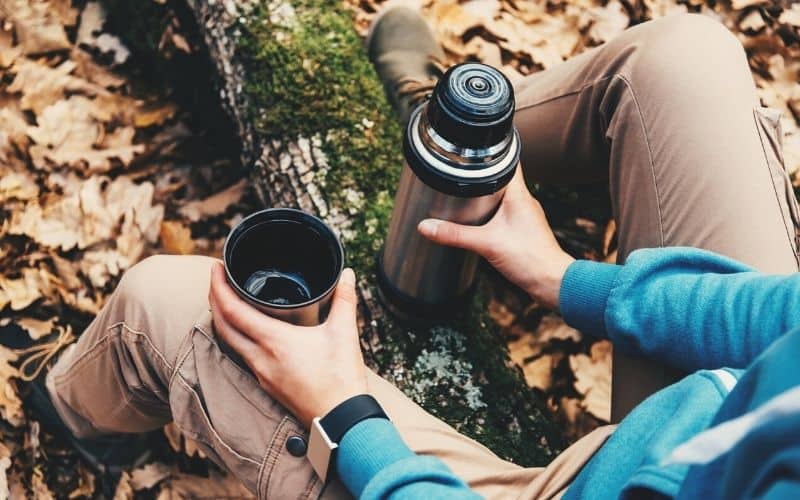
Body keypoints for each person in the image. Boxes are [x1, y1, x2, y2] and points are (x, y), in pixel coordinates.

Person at [9, 6, 800, 500]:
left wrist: (350, 417)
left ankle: (69, 430)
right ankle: (449, 141)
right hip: (708, 422)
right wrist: (574, 283)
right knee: (682, 60)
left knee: (160, 307)